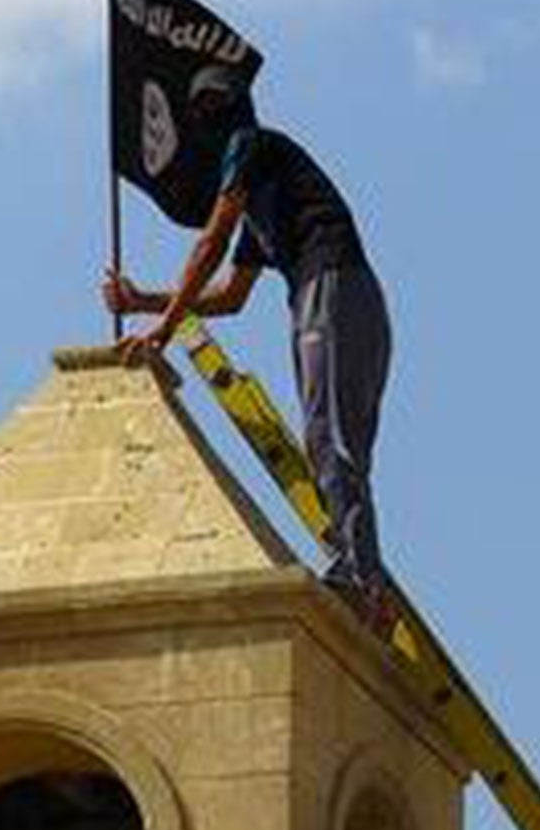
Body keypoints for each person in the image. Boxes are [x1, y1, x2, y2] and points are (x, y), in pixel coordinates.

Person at [103, 66, 395, 629]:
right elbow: (232, 296)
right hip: (345, 300)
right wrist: (144, 301)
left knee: (329, 439)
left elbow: (210, 239)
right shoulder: (267, 196)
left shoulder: (252, 146)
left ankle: (362, 581)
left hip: (333, 287)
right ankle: (358, 569)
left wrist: (162, 329)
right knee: (330, 443)